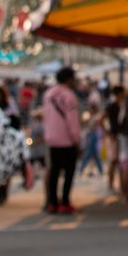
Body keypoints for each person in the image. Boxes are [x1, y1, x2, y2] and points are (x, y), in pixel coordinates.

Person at [42, 66, 81, 214]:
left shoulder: (48, 95)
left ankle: (52, 202)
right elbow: (72, 120)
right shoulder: (68, 96)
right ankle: (64, 201)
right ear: (69, 79)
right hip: (67, 140)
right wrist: (76, 138)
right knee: (68, 172)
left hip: (52, 139)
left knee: (54, 172)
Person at [104, 85, 124, 192]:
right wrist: (107, 133)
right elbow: (101, 119)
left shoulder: (121, 105)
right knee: (113, 160)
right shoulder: (112, 106)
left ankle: (115, 184)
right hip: (114, 135)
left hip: (118, 135)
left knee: (118, 161)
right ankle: (111, 184)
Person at [78, 101, 104, 177]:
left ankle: (82, 169)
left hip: (93, 136)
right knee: (93, 155)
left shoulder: (96, 117)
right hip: (91, 135)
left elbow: (93, 126)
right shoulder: (91, 117)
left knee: (89, 154)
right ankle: (99, 170)